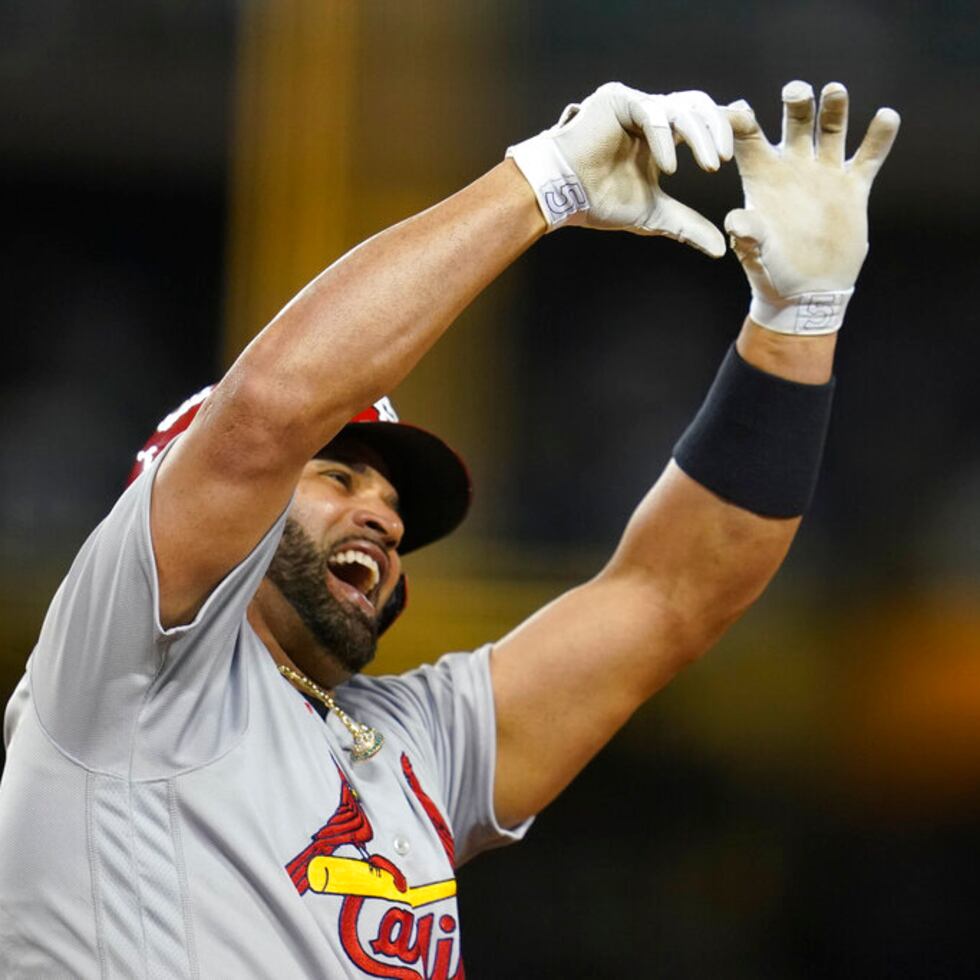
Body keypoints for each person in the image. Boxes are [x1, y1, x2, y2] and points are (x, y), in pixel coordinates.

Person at [0, 78, 898, 978]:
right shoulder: (121, 674)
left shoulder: (413, 741)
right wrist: (543, 180)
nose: (385, 515)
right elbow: (265, 415)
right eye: (339, 474)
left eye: (396, 502)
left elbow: (670, 595)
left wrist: (797, 323)